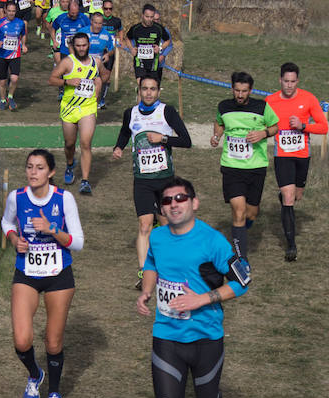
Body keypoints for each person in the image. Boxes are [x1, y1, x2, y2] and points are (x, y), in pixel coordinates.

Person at [135, 177, 250, 398]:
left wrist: (202, 299)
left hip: (206, 339)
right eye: (167, 200)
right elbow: (152, 265)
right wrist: (146, 290)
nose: (174, 204)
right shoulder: (156, 236)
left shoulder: (213, 242)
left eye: (180, 198)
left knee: (205, 394)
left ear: (194, 203)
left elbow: (243, 281)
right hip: (167, 337)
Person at [1, 150, 84, 398]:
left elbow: (79, 242)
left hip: (59, 273)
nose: (32, 172)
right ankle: (35, 375)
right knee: (22, 339)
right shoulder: (17, 197)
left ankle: (55, 393)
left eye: (39, 168)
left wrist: (52, 230)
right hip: (26, 271)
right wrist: (15, 240)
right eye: (29, 167)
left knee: (52, 341)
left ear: (50, 172)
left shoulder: (64, 199)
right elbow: (6, 222)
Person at [113, 76, 192, 289]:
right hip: (142, 181)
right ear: (139, 90)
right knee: (144, 225)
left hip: (165, 181)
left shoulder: (167, 112)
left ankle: (168, 269)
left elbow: (186, 141)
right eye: (145, 89)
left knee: (166, 226)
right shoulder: (131, 113)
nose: (148, 93)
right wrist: (119, 147)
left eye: (153, 89)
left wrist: (163, 139)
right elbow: (124, 132)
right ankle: (143, 272)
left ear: (159, 91)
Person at [210, 71, 278, 262]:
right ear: (232, 89)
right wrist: (217, 135)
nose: (240, 95)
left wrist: (263, 133)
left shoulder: (262, 107)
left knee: (251, 213)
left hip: (256, 167)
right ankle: (241, 259)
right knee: (238, 210)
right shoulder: (224, 106)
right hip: (231, 166)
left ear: (251, 90)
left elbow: (275, 126)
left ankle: (239, 232)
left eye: (244, 91)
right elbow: (219, 123)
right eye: (237, 91)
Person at [265, 62, 329, 261]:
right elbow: (260, 123)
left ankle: (286, 198)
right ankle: (291, 245)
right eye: (286, 81)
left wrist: (303, 126)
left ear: (297, 81)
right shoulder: (270, 101)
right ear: (280, 80)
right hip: (282, 155)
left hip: (302, 155)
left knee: (296, 196)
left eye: (293, 82)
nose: (289, 85)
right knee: (289, 197)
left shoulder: (308, 99)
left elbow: (323, 127)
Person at [49, 31, 101, 195]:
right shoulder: (67, 62)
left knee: (85, 143)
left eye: (84, 45)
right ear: (73, 46)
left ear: (88, 46)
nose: (81, 48)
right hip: (69, 108)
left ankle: (85, 181)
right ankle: (70, 164)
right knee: (69, 144)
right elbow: (51, 79)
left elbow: (104, 75)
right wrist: (67, 81)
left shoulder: (96, 62)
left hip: (88, 108)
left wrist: (98, 85)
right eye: (78, 45)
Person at [0, 1, 28, 111]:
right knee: (2, 81)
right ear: (5, 11)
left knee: (14, 79)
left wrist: (24, 45)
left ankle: (10, 97)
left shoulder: (20, 23)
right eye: (9, 11)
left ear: (16, 11)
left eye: (13, 11)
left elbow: (23, 35)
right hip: (2, 55)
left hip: (15, 54)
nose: (11, 13)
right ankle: (2, 100)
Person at [125, 3, 170, 86]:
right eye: (147, 16)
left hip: (154, 62)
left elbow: (168, 41)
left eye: (151, 17)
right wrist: (131, 48)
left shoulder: (158, 28)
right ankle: (139, 93)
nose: (149, 19)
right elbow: (127, 38)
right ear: (142, 15)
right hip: (139, 61)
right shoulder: (136, 28)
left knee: (151, 88)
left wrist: (160, 48)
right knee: (141, 86)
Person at [81, 12, 115, 109]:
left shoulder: (106, 34)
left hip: (98, 64)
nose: (98, 26)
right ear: (91, 22)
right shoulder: (83, 32)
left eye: (100, 23)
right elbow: (73, 45)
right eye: (96, 23)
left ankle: (97, 101)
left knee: (102, 79)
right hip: (83, 63)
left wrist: (108, 54)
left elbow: (112, 49)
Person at [99, 0, 124, 106]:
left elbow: (121, 30)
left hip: (110, 51)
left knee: (107, 76)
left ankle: (101, 99)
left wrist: (120, 40)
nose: (108, 11)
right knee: (97, 75)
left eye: (110, 9)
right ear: (102, 8)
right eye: (106, 8)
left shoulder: (116, 21)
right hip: (98, 51)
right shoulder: (98, 20)